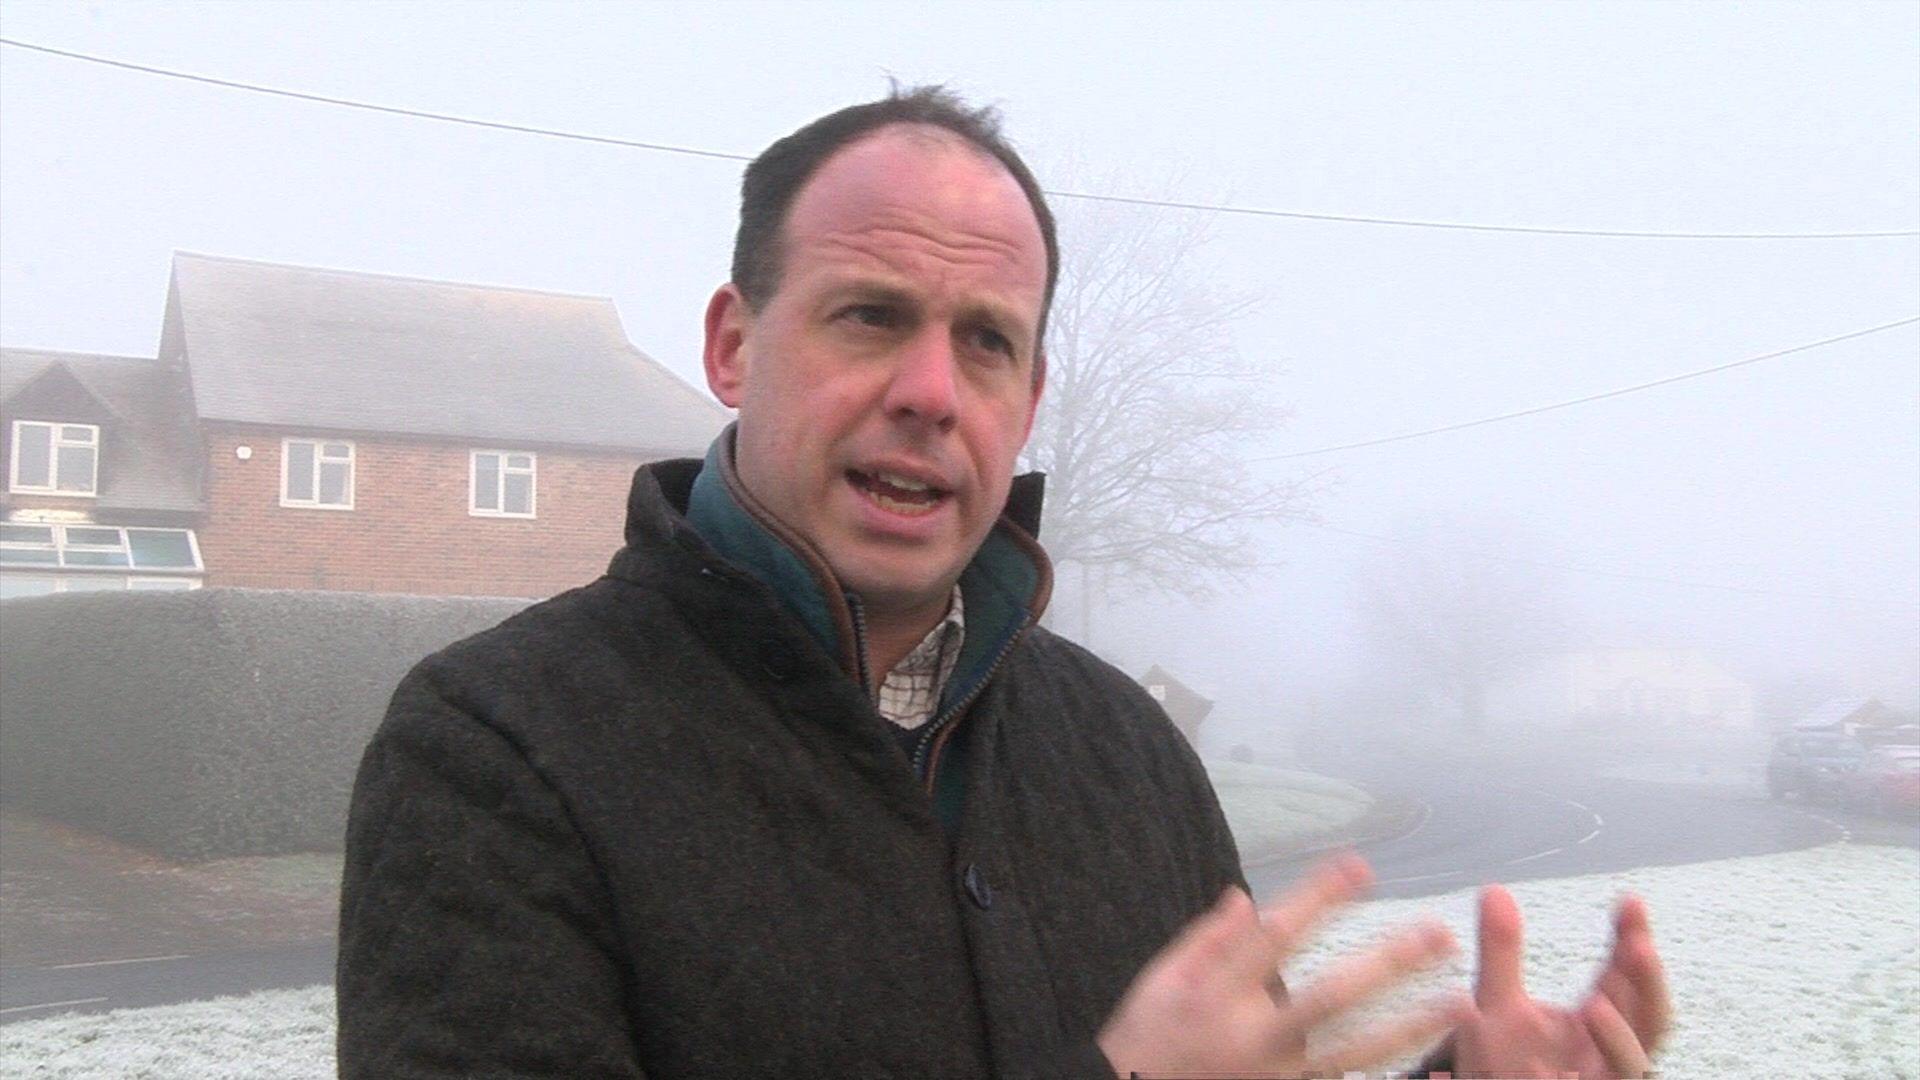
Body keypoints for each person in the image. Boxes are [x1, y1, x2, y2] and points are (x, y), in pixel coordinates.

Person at [337, 86, 1669, 1079]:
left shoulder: (1129, 755)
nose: (929, 393)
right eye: (870, 316)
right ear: (735, 346)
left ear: (1027, 402)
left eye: (986, 345)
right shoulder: (498, 751)